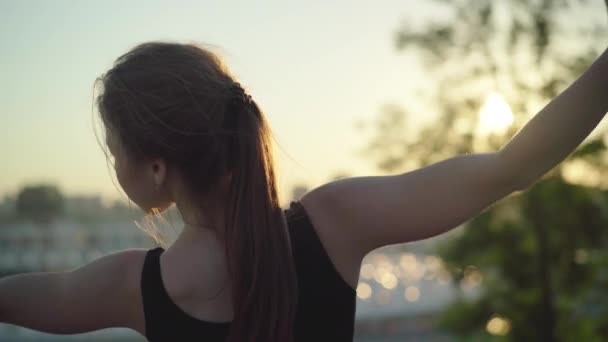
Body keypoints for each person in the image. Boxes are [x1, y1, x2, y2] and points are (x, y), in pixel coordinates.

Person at [1, 41, 608, 342]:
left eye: (115, 149)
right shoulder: (334, 221)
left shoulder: (130, 286)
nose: (113, 164)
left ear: (157, 169)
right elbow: (512, 167)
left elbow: (17, 298)